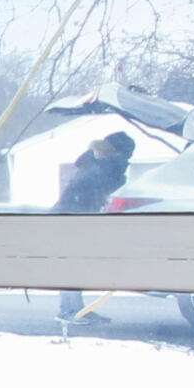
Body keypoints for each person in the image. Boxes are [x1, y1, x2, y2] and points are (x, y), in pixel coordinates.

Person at [55, 128, 138, 324]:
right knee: (73, 266)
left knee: (74, 266)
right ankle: (68, 311)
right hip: (73, 219)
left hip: (70, 217)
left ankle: (74, 309)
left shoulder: (91, 163)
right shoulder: (106, 167)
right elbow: (99, 190)